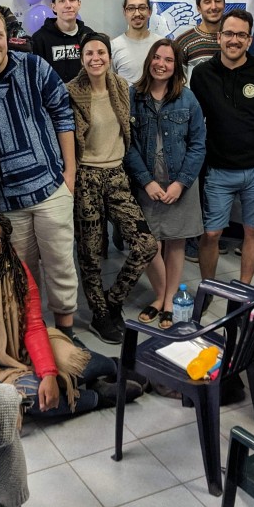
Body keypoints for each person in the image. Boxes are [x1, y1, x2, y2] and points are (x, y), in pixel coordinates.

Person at [0, 4, 80, 338]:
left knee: (61, 265)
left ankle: (65, 331)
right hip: (7, 201)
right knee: (21, 271)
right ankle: (32, 332)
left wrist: (70, 172)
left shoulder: (35, 67)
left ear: (7, 37)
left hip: (51, 187)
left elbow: (63, 115)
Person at [0, 212, 143, 417]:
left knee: (75, 366)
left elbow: (33, 327)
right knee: (28, 398)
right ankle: (97, 397)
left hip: (23, 348)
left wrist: (48, 373)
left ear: (3, 246)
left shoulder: (16, 273)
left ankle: (114, 367)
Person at [66, 33, 158, 343]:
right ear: (82, 58)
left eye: (101, 52)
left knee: (146, 244)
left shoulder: (121, 86)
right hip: (86, 178)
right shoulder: (70, 92)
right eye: (89, 53)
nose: (96, 58)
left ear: (109, 56)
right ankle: (99, 315)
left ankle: (113, 300)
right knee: (91, 255)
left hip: (117, 175)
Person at [190, 10, 254, 284]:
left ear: (249, 39)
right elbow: (195, 124)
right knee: (211, 234)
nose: (234, 40)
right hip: (218, 169)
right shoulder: (201, 74)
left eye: (241, 35)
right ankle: (208, 287)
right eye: (229, 34)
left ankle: (244, 289)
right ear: (219, 37)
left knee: (253, 231)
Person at [125, 39, 206, 329]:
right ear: (149, 61)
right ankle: (160, 295)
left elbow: (198, 145)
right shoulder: (133, 95)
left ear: (176, 66)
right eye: (157, 58)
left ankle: (169, 299)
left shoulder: (187, 98)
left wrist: (180, 183)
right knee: (149, 245)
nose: (161, 64)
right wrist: (145, 181)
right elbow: (128, 145)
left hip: (179, 184)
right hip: (147, 184)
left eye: (168, 60)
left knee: (175, 243)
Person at [30, 0, 96, 83]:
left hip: (84, 96)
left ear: (79, 4)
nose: (68, 5)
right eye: (61, 1)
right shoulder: (39, 39)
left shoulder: (88, 35)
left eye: (72, 0)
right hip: (53, 97)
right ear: (53, 7)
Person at [175, 0, 226, 74]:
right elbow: (177, 83)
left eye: (218, 1)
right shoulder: (183, 41)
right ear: (199, 8)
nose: (214, 7)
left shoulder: (232, 40)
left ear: (224, 5)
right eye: (207, 2)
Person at [110, 0, 157, 83]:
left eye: (142, 8)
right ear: (124, 12)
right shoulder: (113, 46)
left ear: (150, 12)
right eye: (131, 8)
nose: (137, 13)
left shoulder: (160, 44)